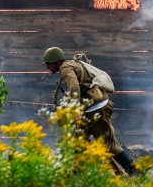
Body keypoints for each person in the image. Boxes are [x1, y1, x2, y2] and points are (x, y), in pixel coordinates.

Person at [42, 46, 135, 175]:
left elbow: (74, 86)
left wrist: (75, 110)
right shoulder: (71, 65)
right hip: (89, 110)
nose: (47, 67)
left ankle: (134, 171)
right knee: (79, 141)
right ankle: (77, 175)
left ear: (57, 62)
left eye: (48, 64)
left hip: (97, 109)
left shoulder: (66, 68)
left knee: (108, 145)